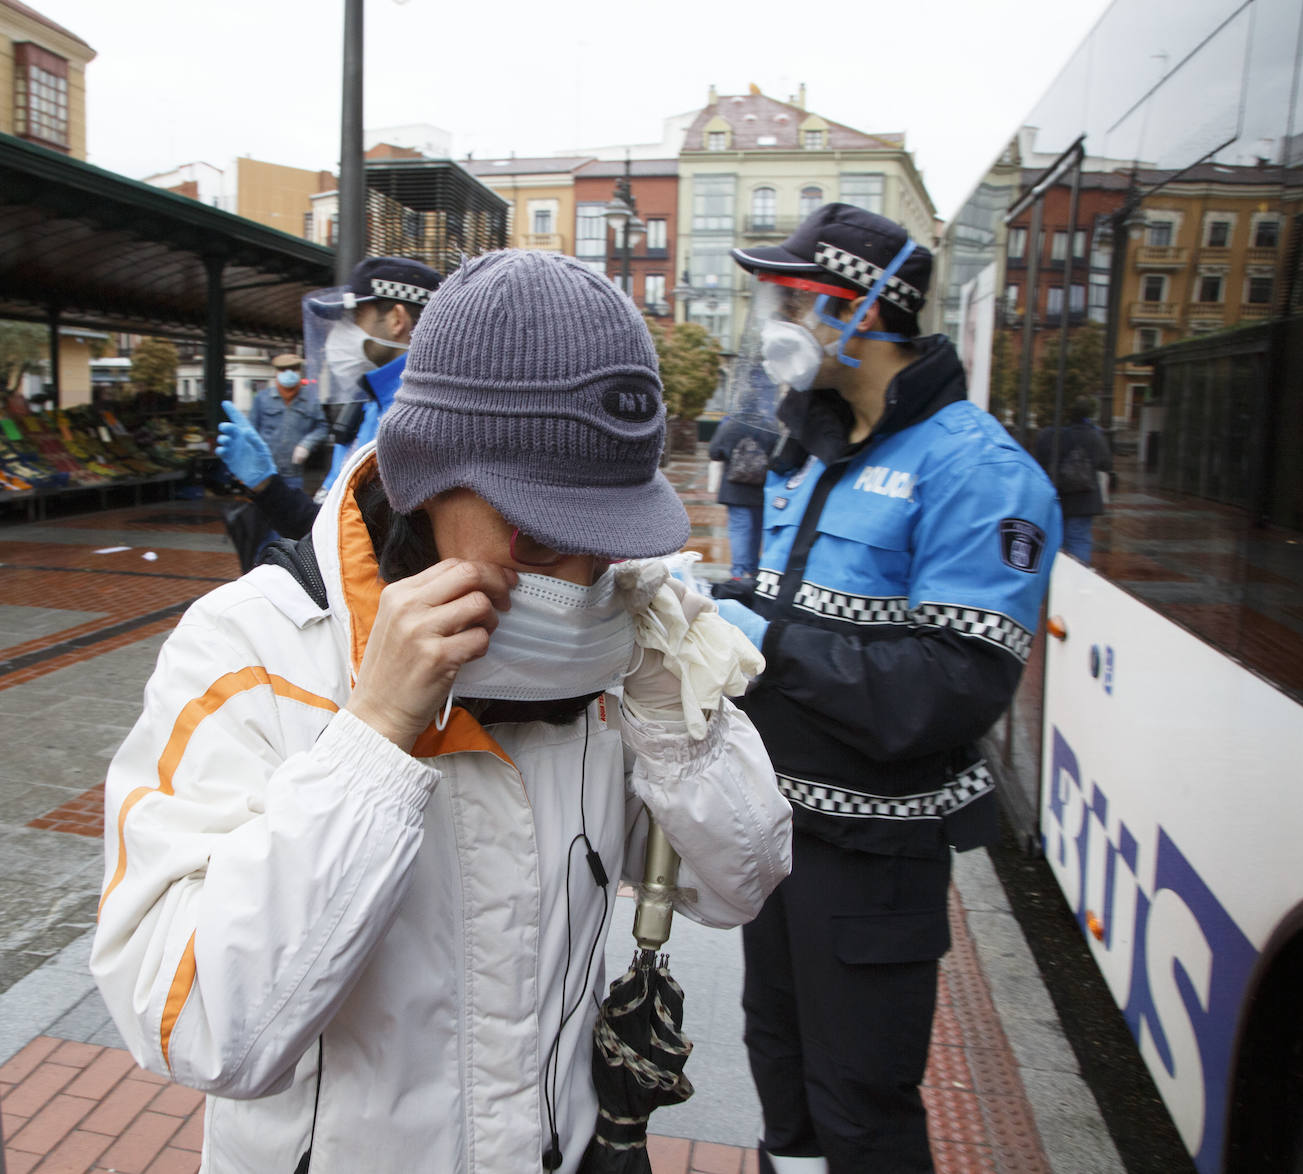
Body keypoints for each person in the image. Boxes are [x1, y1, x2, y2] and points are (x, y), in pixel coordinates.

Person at [91, 250, 793, 1173]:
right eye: (538, 533)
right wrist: (373, 735)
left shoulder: (624, 648)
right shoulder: (254, 647)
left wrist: (676, 710)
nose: (575, 578)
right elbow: (192, 1027)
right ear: (424, 477)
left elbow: (736, 885)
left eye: (604, 538)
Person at [714, 203, 1061, 1174]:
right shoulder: (818, 444)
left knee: (861, 1110)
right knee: (781, 1084)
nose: (772, 315)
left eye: (789, 295)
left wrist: (767, 641)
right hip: (779, 839)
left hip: (872, 861)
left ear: (860, 310)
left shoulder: (977, 472)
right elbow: (805, 615)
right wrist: (710, 607)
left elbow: (951, 689)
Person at [218, 256, 442, 540]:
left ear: (397, 319)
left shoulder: (420, 421)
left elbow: (354, 543)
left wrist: (268, 485)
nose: (338, 334)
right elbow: (325, 526)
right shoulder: (371, 404)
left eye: (354, 317)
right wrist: (266, 484)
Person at [1034, 393, 1113, 563]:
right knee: (1079, 540)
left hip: (1056, 496)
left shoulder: (1050, 435)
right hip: (1084, 499)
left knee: (1052, 540)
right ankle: (1078, 579)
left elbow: (1039, 460)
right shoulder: (1094, 436)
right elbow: (1106, 463)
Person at [708, 408, 773, 581]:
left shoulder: (731, 425)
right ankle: (753, 569)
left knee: (739, 529)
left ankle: (738, 571)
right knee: (757, 530)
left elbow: (714, 452)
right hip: (760, 488)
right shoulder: (768, 425)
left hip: (734, 488)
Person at [248, 353, 327, 491]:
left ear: (300, 372)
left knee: (293, 509)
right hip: (266, 471)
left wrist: (306, 445)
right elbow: (251, 431)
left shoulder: (311, 400)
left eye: (294, 368)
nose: (289, 373)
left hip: (294, 472)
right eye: (283, 370)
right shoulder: (262, 399)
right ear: (276, 373)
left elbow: (322, 427)